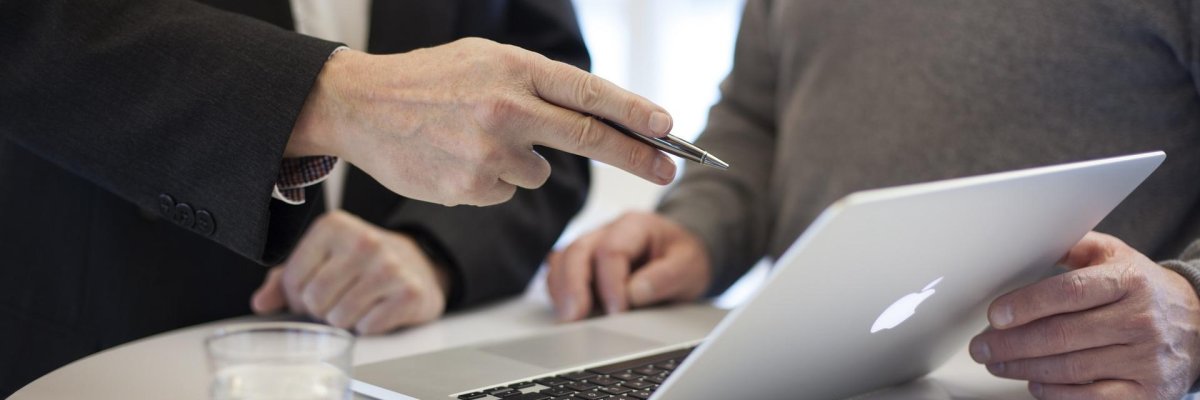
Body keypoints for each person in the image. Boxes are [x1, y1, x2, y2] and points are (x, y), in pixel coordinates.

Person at [0, 0, 676, 395]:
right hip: (99, 341)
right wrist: (326, 96)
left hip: (399, 356)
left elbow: (540, 90)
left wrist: (435, 252)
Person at [547, 1, 1200, 399]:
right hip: (809, 374)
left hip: (1067, 386)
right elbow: (757, 114)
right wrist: (697, 230)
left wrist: (1192, 309)